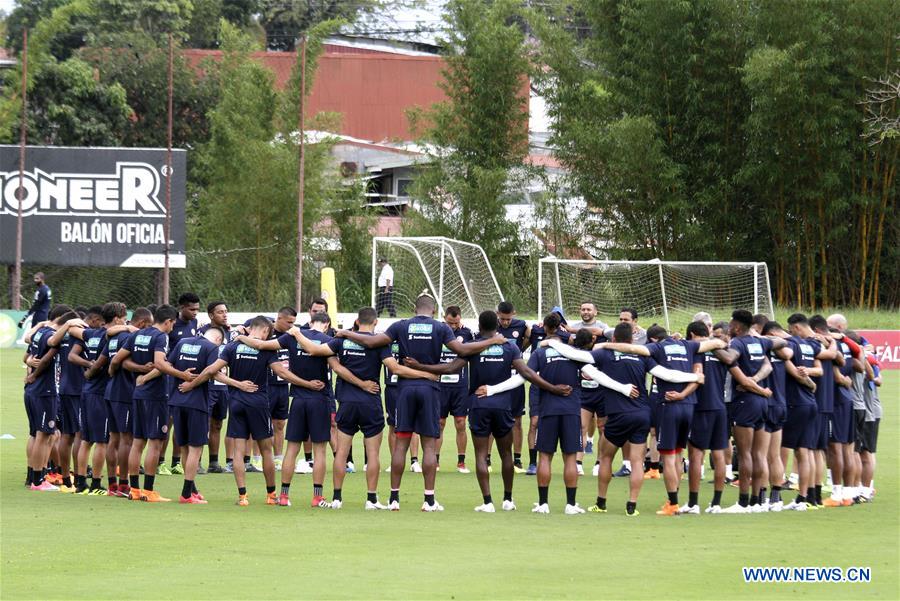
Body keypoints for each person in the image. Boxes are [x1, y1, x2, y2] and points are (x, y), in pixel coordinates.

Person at [338, 294, 505, 511]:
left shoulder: (401, 325)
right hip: (430, 389)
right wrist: (492, 340)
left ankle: (394, 499)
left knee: (401, 444)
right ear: (434, 311)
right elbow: (462, 352)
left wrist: (346, 332)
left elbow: (371, 341)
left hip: (404, 389)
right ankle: (428, 500)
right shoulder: (441, 328)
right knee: (428, 445)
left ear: (414, 309)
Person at [410, 310, 572, 513]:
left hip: (479, 405)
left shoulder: (474, 348)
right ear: (497, 325)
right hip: (504, 406)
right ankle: (508, 499)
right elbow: (528, 373)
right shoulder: (509, 346)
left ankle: (487, 502)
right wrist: (554, 388)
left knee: (480, 454)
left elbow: (450, 368)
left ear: (479, 326)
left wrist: (421, 366)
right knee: (506, 454)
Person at [548, 322, 703, 516]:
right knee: (637, 461)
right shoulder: (642, 355)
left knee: (605, 457)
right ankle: (632, 506)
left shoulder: (605, 353)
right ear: (632, 341)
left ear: (613, 340)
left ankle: (601, 502)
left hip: (618, 415)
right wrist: (695, 377)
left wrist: (552, 343)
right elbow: (667, 375)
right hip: (642, 414)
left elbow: (577, 355)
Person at [293, 307, 437, 509]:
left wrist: (297, 333)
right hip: (371, 402)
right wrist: (425, 374)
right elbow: (395, 368)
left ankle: (337, 498)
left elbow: (316, 351)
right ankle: (371, 499)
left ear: (357, 321)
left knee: (341, 452)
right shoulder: (379, 344)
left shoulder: (342, 340)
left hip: (347, 402)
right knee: (373, 454)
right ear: (376, 322)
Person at [185, 316, 310, 506]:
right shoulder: (267, 349)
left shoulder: (232, 347)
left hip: (236, 402)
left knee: (238, 451)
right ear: (266, 331)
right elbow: (282, 373)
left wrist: (192, 384)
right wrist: (306, 383)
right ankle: (271, 495)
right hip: (258, 402)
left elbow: (212, 371)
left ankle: (243, 497)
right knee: (266, 450)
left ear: (250, 328)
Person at [234, 313, 334, 507]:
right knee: (319, 450)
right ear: (327, 325)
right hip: (319, 398)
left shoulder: (293, 336)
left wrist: (241, 337)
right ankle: (317, 497)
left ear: (311, 322)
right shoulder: (328, 341)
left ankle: (284, 496)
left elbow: (262, 345)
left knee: (291, 449)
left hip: (297, 399)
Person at [644, 323, 724, 516]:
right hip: (690, 406)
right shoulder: (688, 347)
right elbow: (715, 346)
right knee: (679, 453)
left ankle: (673, 503)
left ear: (654, 340)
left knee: (669, 456)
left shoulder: (656, 349)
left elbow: (663, 373)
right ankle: (681, 499)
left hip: (668, 406)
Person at [115, 305, 191, 501]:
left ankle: (134, 490)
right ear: (168, 322)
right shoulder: (160, 337)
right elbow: (159, 363)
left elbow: (120, 360)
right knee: (156, 443)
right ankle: (148, 492)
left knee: (137, 442)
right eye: (173, 324)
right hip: (156, 395)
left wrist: (140, 372)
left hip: (138, 394)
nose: (173, 328)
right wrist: (182, 375)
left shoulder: (137, 335)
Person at [716, 310, 784, 513]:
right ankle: (757, 501)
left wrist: (714, 346)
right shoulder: (760, 343)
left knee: (745, 453)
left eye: (731, 324)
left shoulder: (738, 343)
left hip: (745, 402)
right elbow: (781, 344)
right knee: (759, 455)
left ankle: (743, 502)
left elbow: (729, 359)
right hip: (763, 403)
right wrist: (764, 339)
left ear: (737, 326)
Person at [162, 327, 224, 504]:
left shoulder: (182, 342)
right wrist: (191, 384)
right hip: (196, 403)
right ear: (218, 340)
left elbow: (168, 364)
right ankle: (186, 494)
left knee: (185, 448)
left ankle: (192, 489)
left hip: (176, 400)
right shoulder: (211, 348)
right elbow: (211, 372)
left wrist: (182, 377)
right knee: (196, 449)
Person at [683, 321, 730, 514]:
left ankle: (693, 504)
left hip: (700, 407)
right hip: (720, 407)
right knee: (719, 455)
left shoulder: (696, 352)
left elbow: (697, 376)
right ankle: (716, 503)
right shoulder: (721, 352)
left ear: (692, 335)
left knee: (696, 455)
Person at [159, 292, 201, 476]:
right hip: (170, 379)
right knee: (166, 422)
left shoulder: (194, 324)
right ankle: (161, 461)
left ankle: (176, 462)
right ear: (182, 308)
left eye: (197, 309)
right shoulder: (171, 326)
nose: (195, 313)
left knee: (179, 423)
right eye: (192, 309)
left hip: (186, 379)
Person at [436, 306, 474, 473]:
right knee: (439, 423)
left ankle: (461, 462)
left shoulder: (468, 334)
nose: (452, 326)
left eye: (456, 323)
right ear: (444, 318)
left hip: (460, 387)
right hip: (440, 386)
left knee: (461, 423)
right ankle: (435, 461)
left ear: (460, 319)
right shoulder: (437, 331)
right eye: (449, 323)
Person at [496, 301, 530, 472]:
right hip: (496, 379)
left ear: (514, 315)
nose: (505, 322)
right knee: (491, 421)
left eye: (508, 319)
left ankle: (517, 459)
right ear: (497, 315)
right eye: (502, 319)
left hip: (515, 380)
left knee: (517, 420)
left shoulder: (522, 325)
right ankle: (487, 460)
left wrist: (519, 351)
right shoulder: (491, 326)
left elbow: (530, 336)